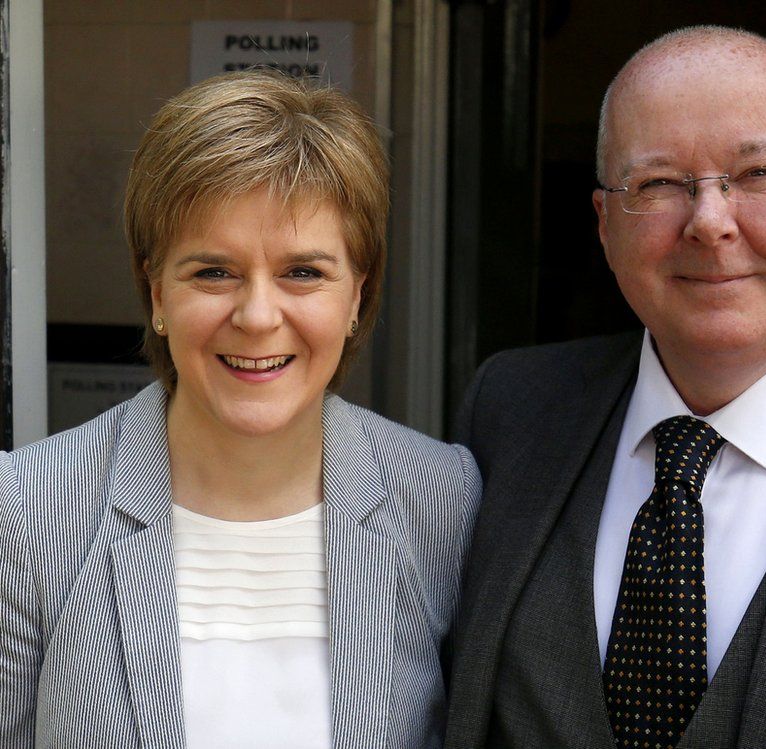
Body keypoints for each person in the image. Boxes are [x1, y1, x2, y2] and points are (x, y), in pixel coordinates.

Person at [445, 25, 766, 749]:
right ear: (604, 226)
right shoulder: (511, 410)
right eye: (659, 183)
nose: (710, 222)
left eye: (758, 175)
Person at [0, 70, 480, 748]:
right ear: (157, 292)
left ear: (356, 296)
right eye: (213, 271)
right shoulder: (29, 511)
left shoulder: (443, 499)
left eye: (303, 272)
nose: (257, 316)